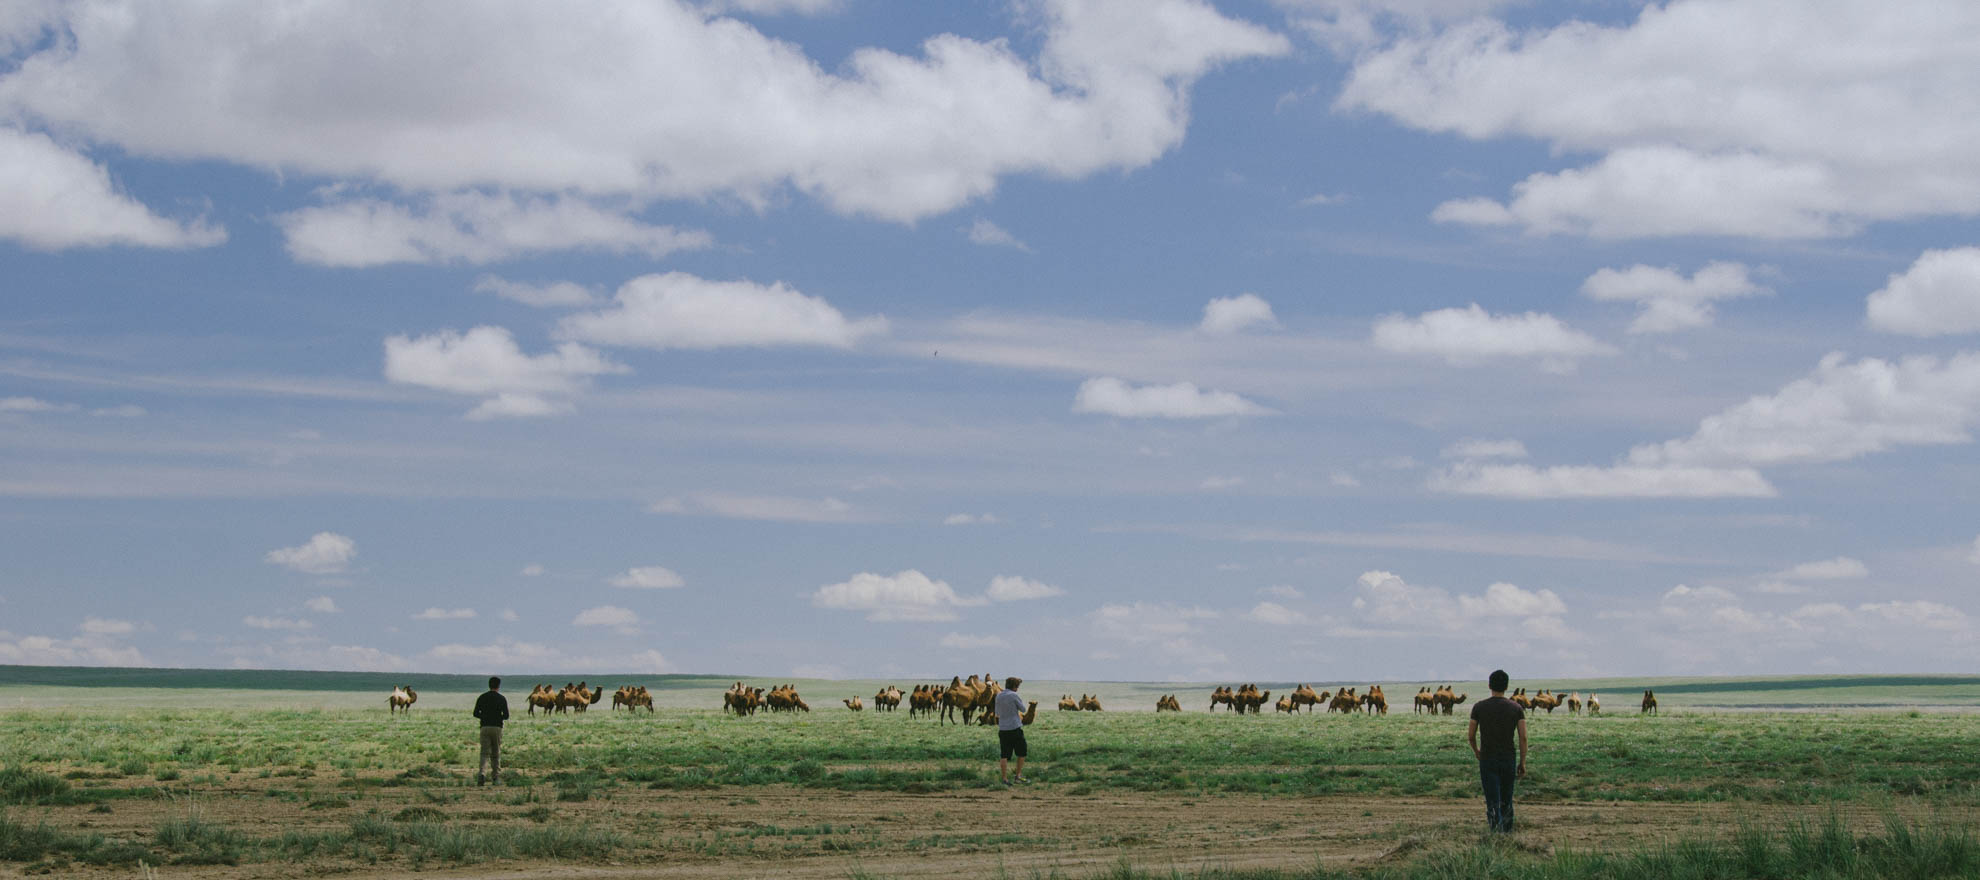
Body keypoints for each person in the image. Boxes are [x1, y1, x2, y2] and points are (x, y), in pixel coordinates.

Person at [1467, 669, 1527, 833]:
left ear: (1489, 685)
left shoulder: (1479, 707)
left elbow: (1471, 736)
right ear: (1507, 686)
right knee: (1507, 800)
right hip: (1508, 758)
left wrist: (1477, 752)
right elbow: (1523, 738)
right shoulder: (1516, 708)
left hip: (1488, 758)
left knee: (1492, 800)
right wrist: (1522, 762)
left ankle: (1495, 835)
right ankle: (1507, 835)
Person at [473, 676, 509, 785]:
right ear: (498, 686)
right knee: (496, 753)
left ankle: (482, 774)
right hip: (497, 728)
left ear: (489, 685)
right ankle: (496, 777)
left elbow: (475, 713)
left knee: (484, 753)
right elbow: (506, 716)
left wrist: (484, 717)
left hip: (484, 727)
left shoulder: (482, 697)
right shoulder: (502, 698)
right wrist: (497, 717)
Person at [993, 676, 1030, 785]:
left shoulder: (998, 696)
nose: (1017, 688)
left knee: (1004, 755)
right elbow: (1023, 709)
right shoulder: (1014, 695)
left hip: (1003, 728)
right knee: (1022, 751)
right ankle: (1018, 776)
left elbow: (997, 712)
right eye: (1017, 686)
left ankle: (1004, 779)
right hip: (1015, 727)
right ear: (1014, 686)